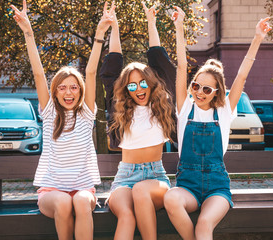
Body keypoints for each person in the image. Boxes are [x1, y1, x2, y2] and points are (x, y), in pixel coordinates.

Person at [164, 7, 272, 240]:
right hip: (187, 187)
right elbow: (182, 66)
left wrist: (257, 38)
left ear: (216, 92)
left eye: (206, 89)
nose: (199, 92)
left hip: (216, 188)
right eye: (195, 86)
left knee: (204, 224)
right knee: (170, 197)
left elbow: (241, 76)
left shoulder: (224, 112)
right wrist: (179, 26)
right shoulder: (185, 109)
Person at [11, 1, 115, 239]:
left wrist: (100, 34)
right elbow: (38, 72)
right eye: (63, 88)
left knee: (79, 201)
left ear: (80, 90)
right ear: (55, 91)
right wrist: (28, 31)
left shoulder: (87, 112)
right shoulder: (49, 112)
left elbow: (90, 71)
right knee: (64, 203)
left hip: (83, 190)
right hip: (51, 192)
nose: (69, 93)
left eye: (74, 88)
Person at [99, 2, 176, 240]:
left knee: (142, 191)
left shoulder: (161, 107)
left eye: (143, 83)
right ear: (126, 89)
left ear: (152, 84)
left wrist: (152, 23)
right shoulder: (120, 110)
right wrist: (114, 27)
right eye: (132, 85)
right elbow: (112, 69)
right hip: (124, 176)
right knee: (127, 215)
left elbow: (162, 65)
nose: (138, 88)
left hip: (155, 177)